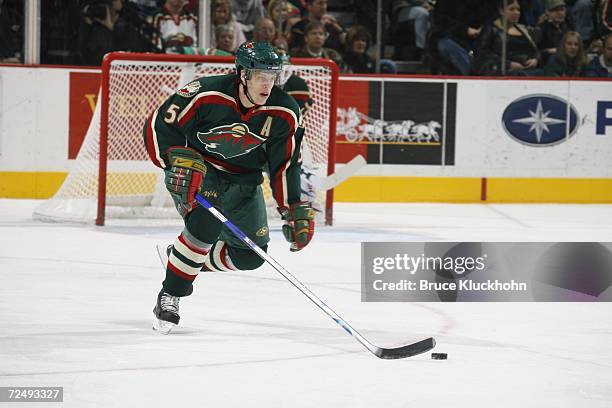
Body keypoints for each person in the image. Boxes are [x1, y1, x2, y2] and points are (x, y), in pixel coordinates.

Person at [144, 42, 315, 333]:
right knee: (205, 224)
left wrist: (293, 207)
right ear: (243, 74)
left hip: (244, 183)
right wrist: (173, 160)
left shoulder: (285, 111)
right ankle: (170, 294)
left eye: (272, 77)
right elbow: (160, 123)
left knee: (250, 257)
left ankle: (182, 258)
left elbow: (284, 165)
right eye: (260, 76)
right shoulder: (206, 93)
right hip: (200, 172)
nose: (267, 84)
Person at [473, 0, 543, 76]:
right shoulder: (491, 29)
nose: (516, 12)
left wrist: (535, 59)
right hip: (502, 70)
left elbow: (535, 50)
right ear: (501, 11)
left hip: (526, 68)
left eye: (518, 10)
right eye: (511, 9)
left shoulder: (524, 31)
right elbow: (482, 53)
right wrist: (509, 64)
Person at [532, 0, 573, 65]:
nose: (560, 13)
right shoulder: (541, 29)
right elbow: (534, 53)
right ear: (547, 12)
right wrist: (548, 51)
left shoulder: (568, 25)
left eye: (562, 9)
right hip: (549, 63)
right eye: (555, 10)